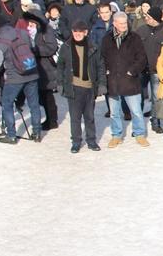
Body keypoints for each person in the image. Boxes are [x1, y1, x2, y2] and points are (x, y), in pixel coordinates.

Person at [0, 14, 41, 145]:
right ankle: (37, 133)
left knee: (7, 103)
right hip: (32, 72)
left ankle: (11, 135)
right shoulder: (23, 32)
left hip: (14, 77)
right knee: (34, 104)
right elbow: (33, 48)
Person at [101, 12, 149, 148]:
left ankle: (139, 134)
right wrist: (105, 71)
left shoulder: (134, 38)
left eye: (125, 23)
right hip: (113, 80)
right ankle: (116, 135)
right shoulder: (107, 39)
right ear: (114, 23)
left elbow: (142, 58)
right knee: (114, 112)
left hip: (130, 80)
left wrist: (132, 71)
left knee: (136, 111)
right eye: (121, 23)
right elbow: (102, 57)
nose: (124, 25)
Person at [56, 21, 105, 153]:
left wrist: (101, 84)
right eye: (75, 31)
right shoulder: (66, 47)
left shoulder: (93, 47)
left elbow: (100, 67)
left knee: (89, 117)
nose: (77, 34)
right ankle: (76, 142)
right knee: (75, 118)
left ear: (86, 32)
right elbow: (60, 66)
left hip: (89, 88)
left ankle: (91, 141)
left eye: (80, 31)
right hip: (73, 88)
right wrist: (60, 83)